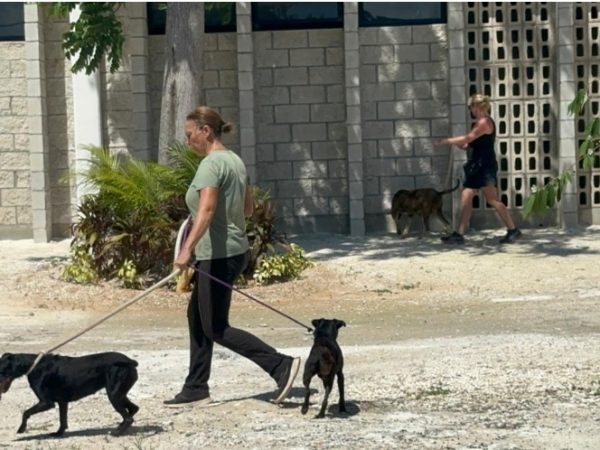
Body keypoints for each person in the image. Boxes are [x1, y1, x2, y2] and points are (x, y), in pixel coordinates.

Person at [165, 106, 300, 406]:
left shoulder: (211, 165)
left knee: (216, 327)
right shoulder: (236, 161)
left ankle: (280, 365)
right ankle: (196, 387)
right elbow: (248, 209)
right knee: (197, 317)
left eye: (189, 135)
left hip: (218, 256)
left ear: (205, 131)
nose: (188, 141)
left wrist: (185, 251)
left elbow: (206, 210)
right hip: (233, 252)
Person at [434, 94, 522, 244]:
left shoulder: (485, 123)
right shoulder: (477, 124)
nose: (470, 110)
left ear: (478, 107)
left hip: (485, 166)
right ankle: (459, 234)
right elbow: (468, 144)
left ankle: (513, 230)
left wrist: (446, 141)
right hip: (476, 166)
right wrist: (458, 144)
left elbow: (467, 138)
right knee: (466, 196)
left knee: (492, 199)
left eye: (471, 107)